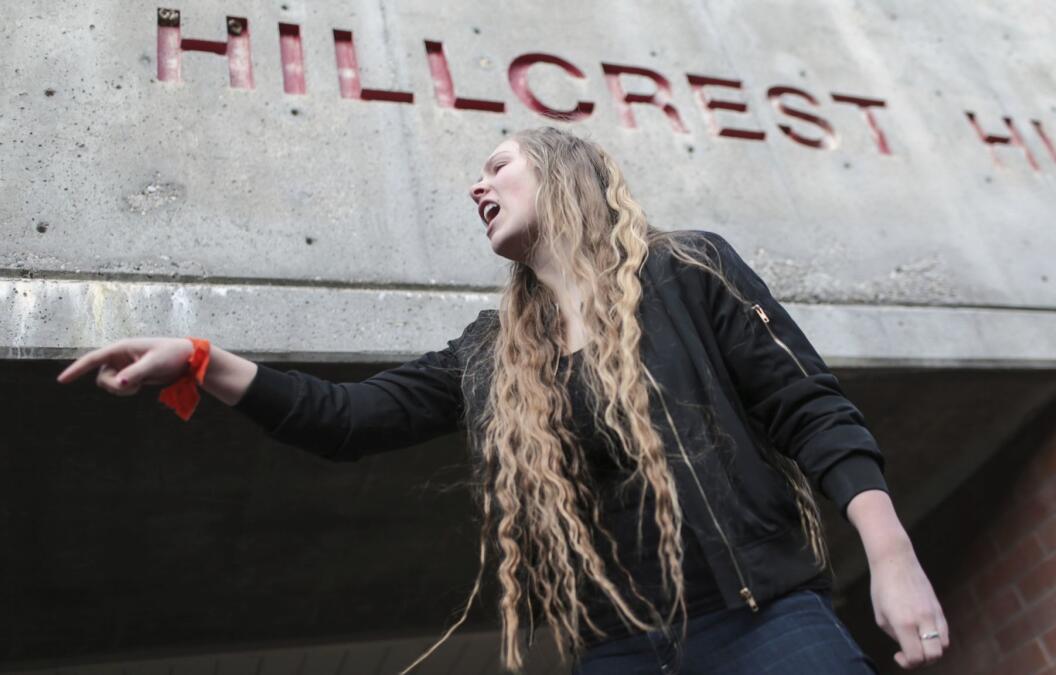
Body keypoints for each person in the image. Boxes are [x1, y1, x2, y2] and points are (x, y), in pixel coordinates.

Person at [56, 126, 948, 674]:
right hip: (623, 651)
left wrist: (891, 554)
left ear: (564, 174)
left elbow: (811, 408)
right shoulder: (488, 355)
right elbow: (346, 419)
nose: (476, 186)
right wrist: (201, 359)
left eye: (496, 166)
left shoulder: (688, 271)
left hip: (765, 624)